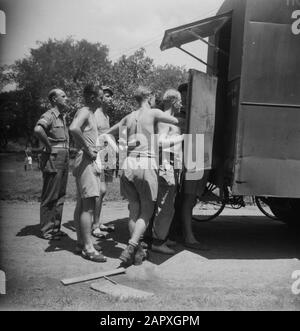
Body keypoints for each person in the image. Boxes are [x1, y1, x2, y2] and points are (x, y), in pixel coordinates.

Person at [103, 86, 179, 267]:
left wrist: (120, 151)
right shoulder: (153, 112)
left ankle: (137, 252)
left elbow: (106, 135)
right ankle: (131, 246)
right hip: (146, 163)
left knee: (133, 210)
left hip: (128, 164)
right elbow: (175, 119)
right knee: (146, 212)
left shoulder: (127, 117)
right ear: (150, 97)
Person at [70, 83, 107, 263]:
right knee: (88, 205)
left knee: (82, 204)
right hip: (86, 161)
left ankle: (81, 242)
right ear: (92, 97)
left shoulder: (89, 113)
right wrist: (87, 149)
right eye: (100, 97)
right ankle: (88, 247)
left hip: (85, 159)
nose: (102, 99)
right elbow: (73, 128)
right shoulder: (85, 110)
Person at [171, 83, 210, 250]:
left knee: (191, 198)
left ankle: (179, 229)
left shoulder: (200, 113)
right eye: (183, 96)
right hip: (189, 159)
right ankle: (189, 237)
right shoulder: (178, 116)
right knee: (187, 198)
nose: (186, 99)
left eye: (189, 95)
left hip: (198, 157)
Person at [151, 89, 184, 255]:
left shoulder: (170, 119)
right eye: (180, 101)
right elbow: (161, 143)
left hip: (172, 164)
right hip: (166, 164)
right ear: (173, 101)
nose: (182, 104)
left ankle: (162, 236)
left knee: (168, 205)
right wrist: (182, 138)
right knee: (164, 205)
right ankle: (158, 241)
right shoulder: (164, 120)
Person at [34, 89, 70, 240]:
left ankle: (55, 228)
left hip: (64, 156)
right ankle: (47, 230)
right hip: (54, 157)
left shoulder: (62, 116)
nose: (66, 98)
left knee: (60, 195)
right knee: (50, 194)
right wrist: (48, 147)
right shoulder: (50, 115)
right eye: (63, 96)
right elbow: (38, 129)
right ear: (54, 99)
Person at [92, 86, 116, 239]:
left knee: (104, 190)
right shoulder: (95, 114)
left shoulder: (106, 115)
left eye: (111, 96)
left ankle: (97, 222)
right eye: (107, 96)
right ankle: (94, 226)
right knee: (99, 191)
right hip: (99, 156)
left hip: (108, 155)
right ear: (100, 98)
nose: (109, 98)